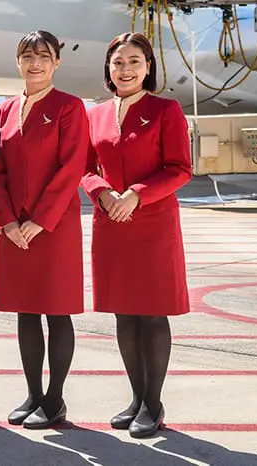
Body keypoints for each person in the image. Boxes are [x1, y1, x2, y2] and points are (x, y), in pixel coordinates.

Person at [81, 32, 191, 439]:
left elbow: (179, 168)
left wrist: (136, 195)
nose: (125, 69)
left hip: (152, 223)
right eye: (118, 62)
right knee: (124, 312)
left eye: (134, 62)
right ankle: (136, 397)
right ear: (108, 69)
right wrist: (102, 192)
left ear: (148, 67)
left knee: (152, 312)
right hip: (111, 221)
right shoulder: (95, 114)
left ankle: (153, 403)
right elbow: (85, 167)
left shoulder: (165, 110)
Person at [0, 30, 89, 429]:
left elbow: (71, 168)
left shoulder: (68, 107)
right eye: (28, 56)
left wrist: (39, 221)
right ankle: (33, 393)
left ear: (56, 62)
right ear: (18, 61)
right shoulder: (5, 110)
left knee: (57, 312)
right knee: (25, 312)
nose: (35, 63)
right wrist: (8, 221)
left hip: (53, 228)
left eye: (44, 56)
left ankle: (55, 398)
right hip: (14, 229)